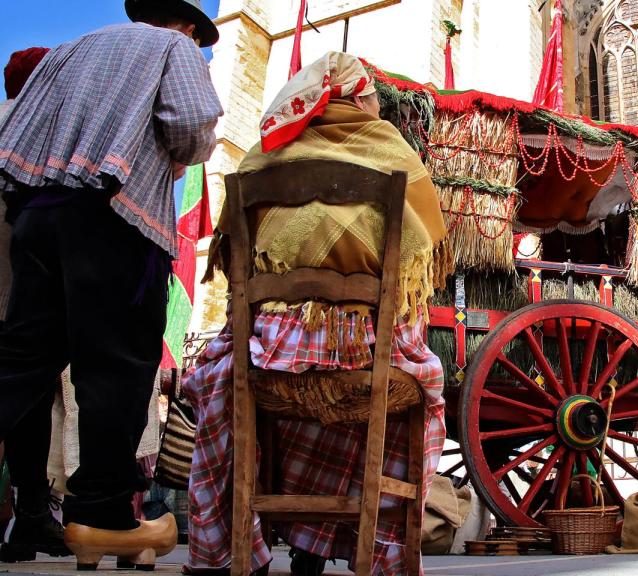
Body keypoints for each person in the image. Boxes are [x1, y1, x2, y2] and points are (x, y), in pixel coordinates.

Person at [185, 51, 449, 576]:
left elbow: (236, 263)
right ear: (358, 99)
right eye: (372, 95)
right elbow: (419, 273)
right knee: (419, 383)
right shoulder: (394, 154)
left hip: (269, 359)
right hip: (365, 356)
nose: (377, 104)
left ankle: (237, 546)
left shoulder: (265, 157)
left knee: (232, 375)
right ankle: (339, 546)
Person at [0, 0, 221, 566]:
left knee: (22, 359)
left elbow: (23, 124)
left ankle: (83, 512)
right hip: (113, 215)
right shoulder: (175, 49)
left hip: (38, 210)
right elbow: (193, 128)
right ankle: (101, 512)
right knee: (116, 367)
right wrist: (179, 155)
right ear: (189, 26)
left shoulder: (73, 48)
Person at [0, 47, 69, 564]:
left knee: (30, 396)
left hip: (21, 283)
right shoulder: (35, 128)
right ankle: (29, 517)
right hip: (17, 282)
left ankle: (33, 517)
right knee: (22, 389)